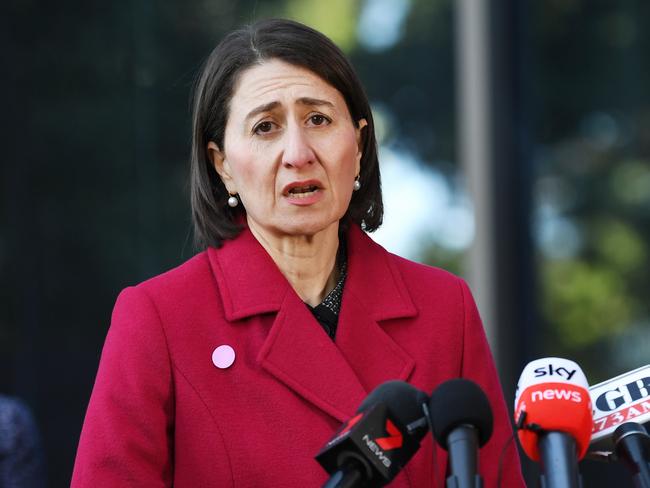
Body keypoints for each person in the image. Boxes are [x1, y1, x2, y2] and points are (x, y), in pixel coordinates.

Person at [71, 19, 524, 487]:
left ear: (361, 142)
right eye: (266, 127)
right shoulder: (160, 319)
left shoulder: (444, 309)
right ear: (222, 164)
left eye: (318, 120)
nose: (298, 152)